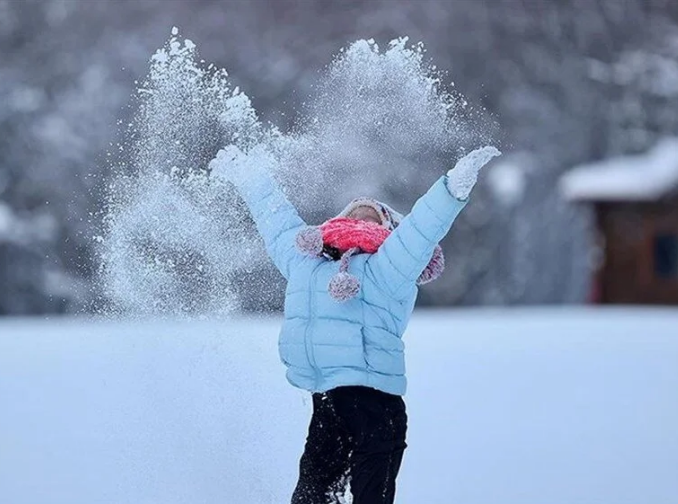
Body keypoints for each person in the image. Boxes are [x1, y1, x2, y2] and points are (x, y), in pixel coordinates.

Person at [209, 144, 500, 504]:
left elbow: (422, 229)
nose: (362, 220)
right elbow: (277, 221)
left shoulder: (390, 266)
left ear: (390, 230)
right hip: (328, 401)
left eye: (373, 218)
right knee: (310, 496)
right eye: (354, 215)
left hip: (377, 404)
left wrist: (452, 188)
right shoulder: (307, 263)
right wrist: (250, 178)